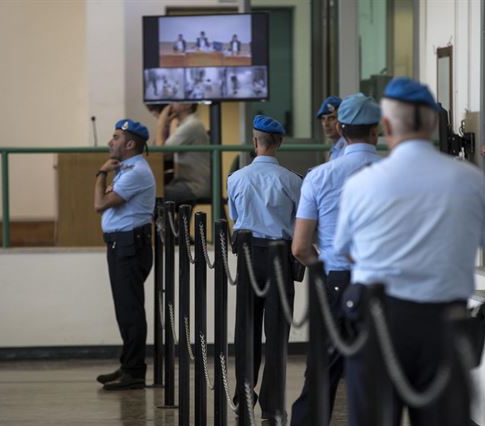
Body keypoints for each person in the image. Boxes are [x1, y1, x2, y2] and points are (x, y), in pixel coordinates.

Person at [334, 77, 485, 425]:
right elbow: (479, 240)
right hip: (446, 323)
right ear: (434, 122)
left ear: (386, 125)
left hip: (378, 321)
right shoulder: (470, 179)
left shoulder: (361, 184)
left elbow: (345, 251)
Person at [290, 93, 382, 425]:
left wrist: (326, 269)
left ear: (341, 130)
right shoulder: (394, 175)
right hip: (385, 285)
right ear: (376, 131)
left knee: (322, 371)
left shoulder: (319, 176)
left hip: (336, 282)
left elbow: (300, 247)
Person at [227, 115, 302, 424]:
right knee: (276, 333)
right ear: (279, 142)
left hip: (247, 253)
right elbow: (302, 220)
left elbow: (234, 215)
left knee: (246, 329)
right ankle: (272, 406)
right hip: (280, 257)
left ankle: (244, 397)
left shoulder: (235, 179)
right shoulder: (293, 181)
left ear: (254, 142)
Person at [94, 119, 156, 391]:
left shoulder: (136, 172)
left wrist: (100, 174)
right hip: (123, 244)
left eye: (116, 137)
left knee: (130, 310)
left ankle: (134, 372)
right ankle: (128, 365)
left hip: (129, 246)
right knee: (125, 309)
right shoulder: (129, 168)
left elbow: (99, 205)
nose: (111, 141)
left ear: (130, 144)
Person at [155, 103, 211, 203]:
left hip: (194, 186)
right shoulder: (185, 124)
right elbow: (166, 153)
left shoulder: (192, 125)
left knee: (154, 195)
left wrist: (161, 122)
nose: (170, 103)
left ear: (188, 105)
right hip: (184, 183)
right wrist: (171, 123)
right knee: (154, 191)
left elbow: (160, 153)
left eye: (175, 100)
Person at [316, 96, 345, 161]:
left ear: (342, 120)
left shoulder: (346, 149)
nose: (326, 124)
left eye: (331, 118)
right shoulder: (336, 146)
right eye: (323, 119)